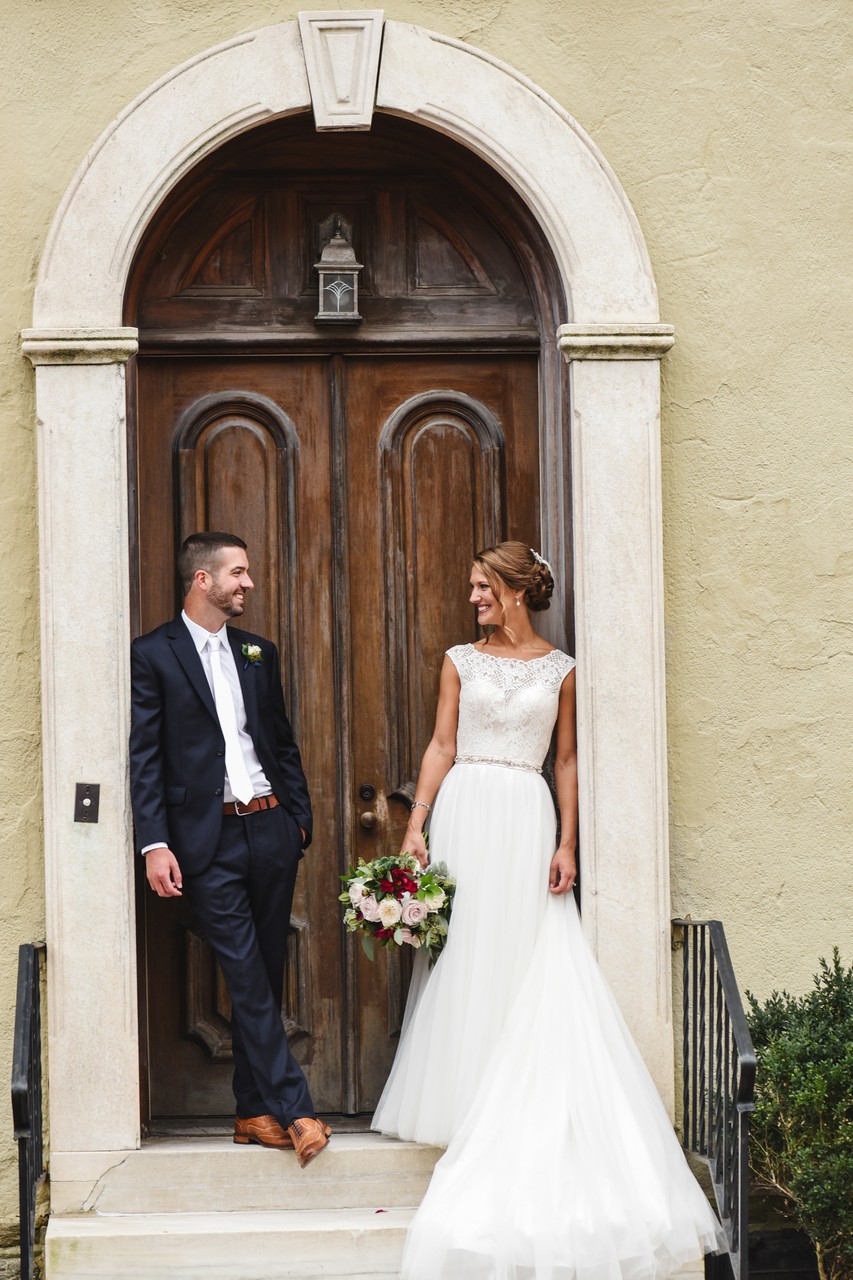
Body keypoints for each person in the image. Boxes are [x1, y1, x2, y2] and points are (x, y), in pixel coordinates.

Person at [372, 541, 723, 1278]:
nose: (472, 598)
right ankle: (467, 1098)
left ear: (514, 591)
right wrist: (416, 823)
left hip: (525, 816)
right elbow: (441, 744)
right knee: (467, 950)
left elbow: (564, 760)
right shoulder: (458, 660)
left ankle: (519, 1099)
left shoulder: (560, 670)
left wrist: (568, 842)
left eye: (482, 587)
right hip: (467, 807)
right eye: (471, 586)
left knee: (530, 949)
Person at [129, 531, 329, 1167]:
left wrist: (297, 822)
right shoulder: (153, 654)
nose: (247, 583)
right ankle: (296, 1109)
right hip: (203, 843)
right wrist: (155, 843)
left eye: (247, 572)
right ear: (202, 580)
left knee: (263, 974)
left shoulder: (257, 652)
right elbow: (145, 758)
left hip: (270, 832)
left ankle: (251, 1111)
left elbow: (280, 742)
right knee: (245, 975)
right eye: (237, 573)